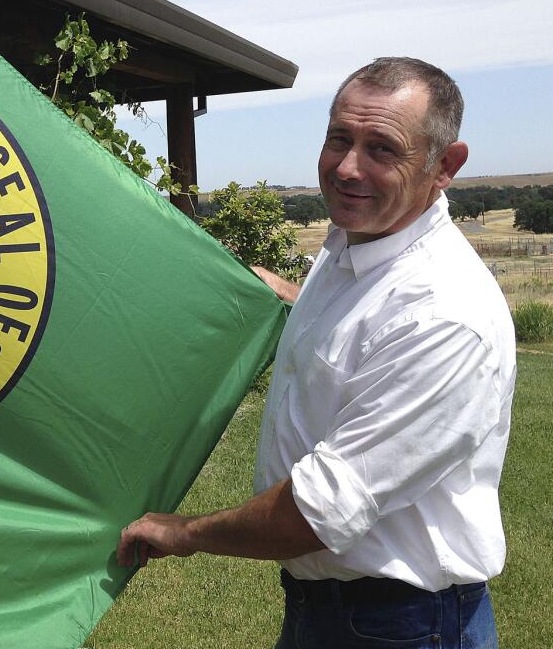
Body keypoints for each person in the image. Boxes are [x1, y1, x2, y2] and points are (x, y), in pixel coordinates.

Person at [117, 58, 516, 648]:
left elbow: (319, 510)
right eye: (339, 138)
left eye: (383, 148)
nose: (348, 167)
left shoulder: (445, 315)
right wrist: (277, 294)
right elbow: (364, 327)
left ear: (445, 166)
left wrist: (185, 532)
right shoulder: (358, 246)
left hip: (402, 627)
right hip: (333, 611)